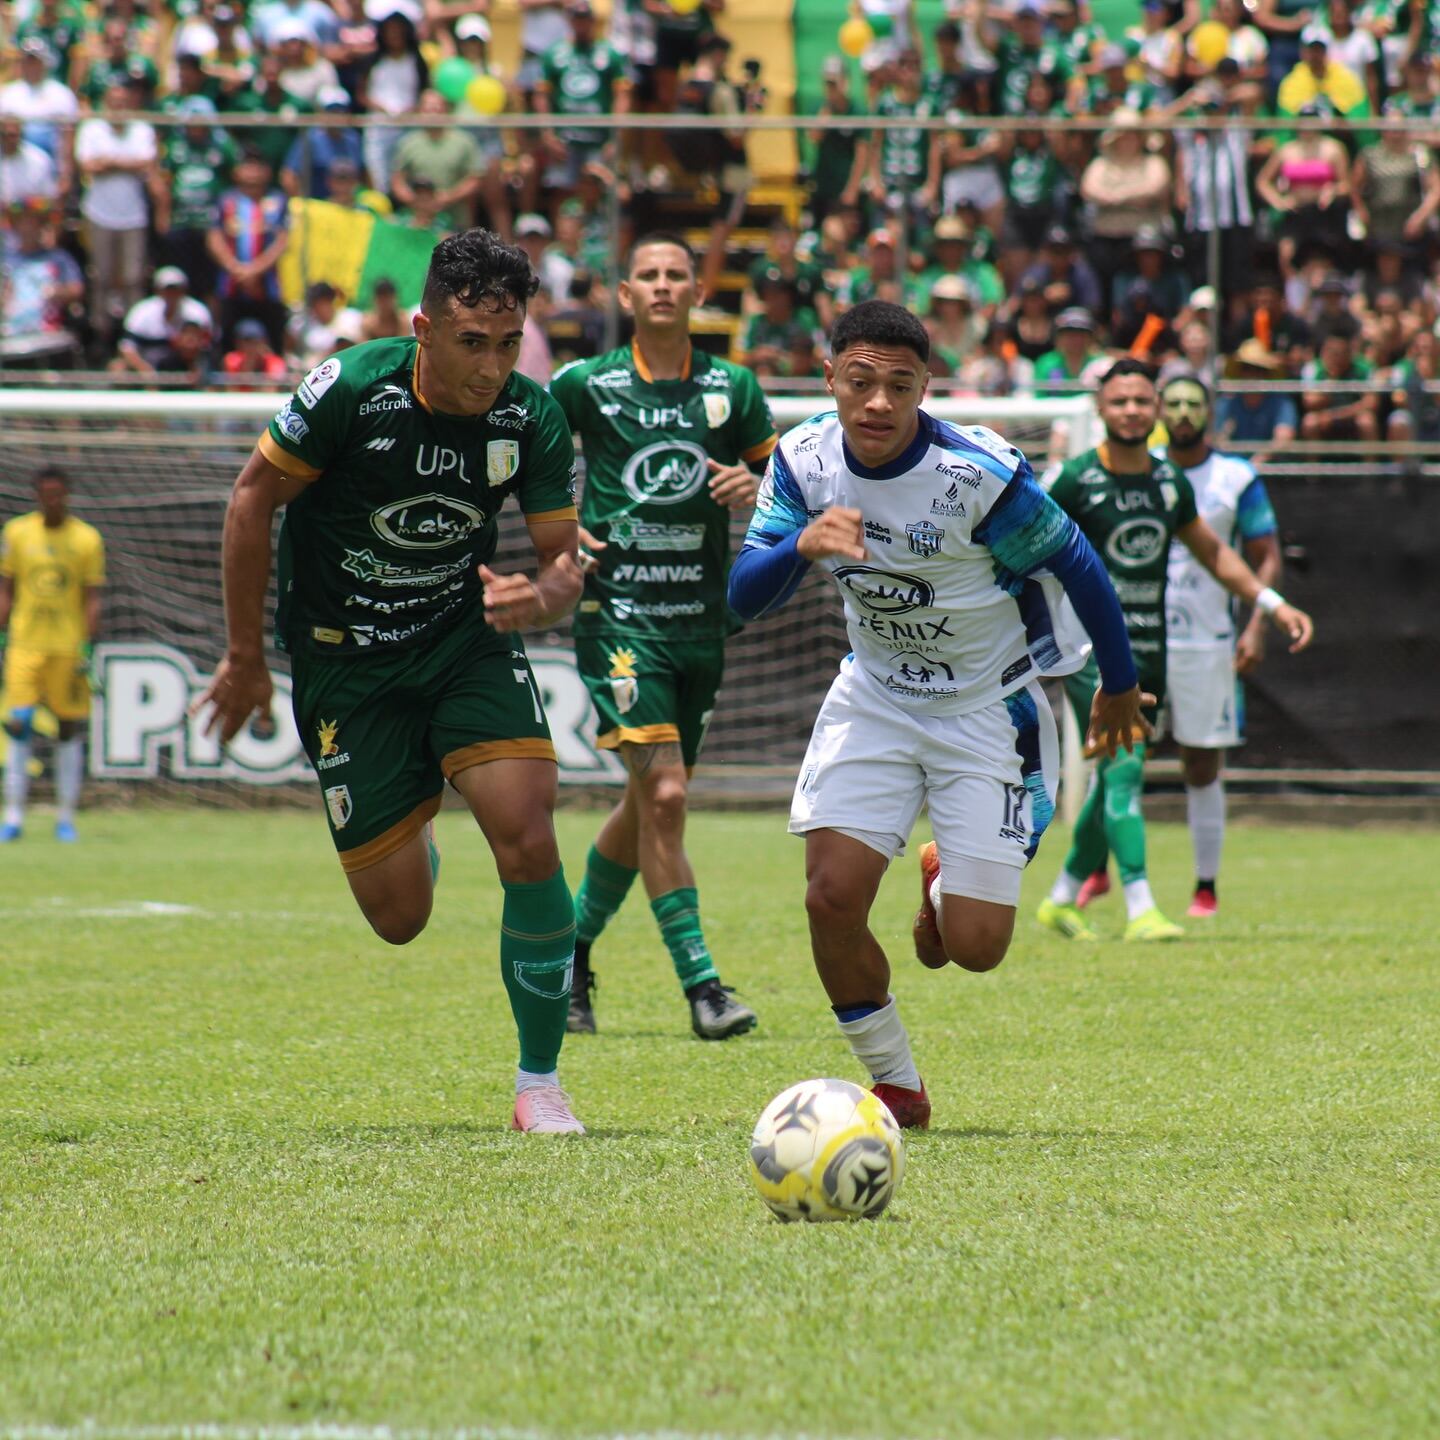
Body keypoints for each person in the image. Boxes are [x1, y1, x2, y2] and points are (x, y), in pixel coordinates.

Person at [195, 229, 588, 1135]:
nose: (491, 367)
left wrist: (548, 595)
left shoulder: (528, 417)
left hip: (464, 641)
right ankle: (412, 815)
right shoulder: (350, 387)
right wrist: (246, 657)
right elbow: (252, 499)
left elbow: (566, 562)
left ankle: (539, 1082)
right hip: (345, 663)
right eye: (469, 343)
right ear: (422, 329)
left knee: (527, 833)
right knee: (400, 916)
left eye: (507, 342)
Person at [726, 300, 1150, 1128]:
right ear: (830, 380)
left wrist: (1121, 683)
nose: (877, 402)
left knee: (977, 949)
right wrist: (800, 543)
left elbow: (1080, 564)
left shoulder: (978, 475)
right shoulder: (804, 459)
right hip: (875, 698)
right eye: (860, 382)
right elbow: (744, 597)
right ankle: (896, 1082)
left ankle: (943, 881)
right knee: (829, 899)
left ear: (926, 386)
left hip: (991, 707)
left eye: (898, 384)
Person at [550, 232, 776, 1040]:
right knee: (669, 795)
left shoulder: (732, 389)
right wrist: (564, 532)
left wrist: (755, 484)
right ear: (623, 294)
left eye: (676, 275)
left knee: (646, 803)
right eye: (646, 275)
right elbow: (521, 462)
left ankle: (568, 959)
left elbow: (791, 487)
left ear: (696, 291)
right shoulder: (586, 384)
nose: (661, 286)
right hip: (619, 623)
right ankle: (704, 989)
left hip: (699, 627)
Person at [1035, 360, 1314, 944]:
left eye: (1142, 400)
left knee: (1115, 771)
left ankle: (1061, 898)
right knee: (1128, 768)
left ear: (1155, 409)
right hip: (1090, 653)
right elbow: (1029, 550)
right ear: (1100, 410)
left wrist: (1269, 602)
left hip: (1151, 652)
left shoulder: (1168, 483)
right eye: (1120, 401)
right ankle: (1140, 904)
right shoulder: (1074, 480)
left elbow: (1215, 554)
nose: (1132, 410)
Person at [1158, 372, 1285, 917]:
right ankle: (1096, 876)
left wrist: (1256, 623)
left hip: (1207, 639)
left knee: (1201, 762)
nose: (1184, 412)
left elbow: (1266, 553)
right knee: (1112, 758)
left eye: (1194, 404)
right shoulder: (1139, 469)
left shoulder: (1236, 476)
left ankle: (1205, 885)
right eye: (1175, 403)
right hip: (1137, 632)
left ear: (1210, 412)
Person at [0, 466, 105, 844]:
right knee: (19, 725)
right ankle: (12, 815)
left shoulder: (86, 539)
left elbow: (91, 596)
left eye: (58, 492)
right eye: (46, 492)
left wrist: (89, 644)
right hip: (25, 643)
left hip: (66, 646)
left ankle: (65, 817)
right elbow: (7, 588)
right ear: (37, 494)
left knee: (68, 730)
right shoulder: (17, 533)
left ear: (67, 493)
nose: (52, 499)